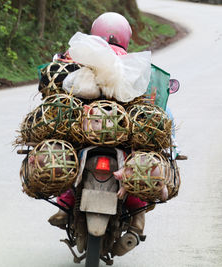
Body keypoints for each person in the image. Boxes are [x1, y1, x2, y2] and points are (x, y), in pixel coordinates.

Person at [48, 12, 147, 256]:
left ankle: (64, 205)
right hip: (121, 135)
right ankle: (138, 220)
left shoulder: (83, 53)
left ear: (96, 32)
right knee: (134, 162)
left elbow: (61, 74)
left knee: (71, 152)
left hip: (86, 130)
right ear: (125, 37)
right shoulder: (132, 62)